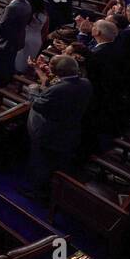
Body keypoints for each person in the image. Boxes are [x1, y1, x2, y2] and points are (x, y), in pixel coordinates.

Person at [25, 54, 93, 195]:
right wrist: (40, 71)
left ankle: (37, 192)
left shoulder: (59, 90)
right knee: (55, 163)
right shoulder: (86, 83)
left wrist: (32, 89)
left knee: (41, 163)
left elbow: (38, 104)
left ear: (58, 73)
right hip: (70, 130)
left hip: (48, 133)